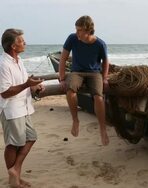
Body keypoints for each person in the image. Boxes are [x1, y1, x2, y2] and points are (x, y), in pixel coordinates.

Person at [0, 29, 44, 188]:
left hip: (25, 107)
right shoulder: (3, 64)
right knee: (13, 144)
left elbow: (25, 81)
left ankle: (15, 172)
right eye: (21, 41)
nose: (25, 43)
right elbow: (5, 93)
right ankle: (14, 179)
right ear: (13, 45)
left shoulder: (19, 61)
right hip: (11, 109)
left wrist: (35, 87)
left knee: (31, 137)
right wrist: (27, 84)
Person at [59, 15, 109, 146]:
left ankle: (102, 129)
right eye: (76, 29)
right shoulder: (72, 38)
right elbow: (63, 58)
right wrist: (62, 78)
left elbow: (105, 62)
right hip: (77, 72)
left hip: (94, 73)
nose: (76, 33)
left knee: (98, 97)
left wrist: (104, 78)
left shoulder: (100, 44)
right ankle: (75, 120)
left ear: (88, 30)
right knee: (70, 91)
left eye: (79, 30)